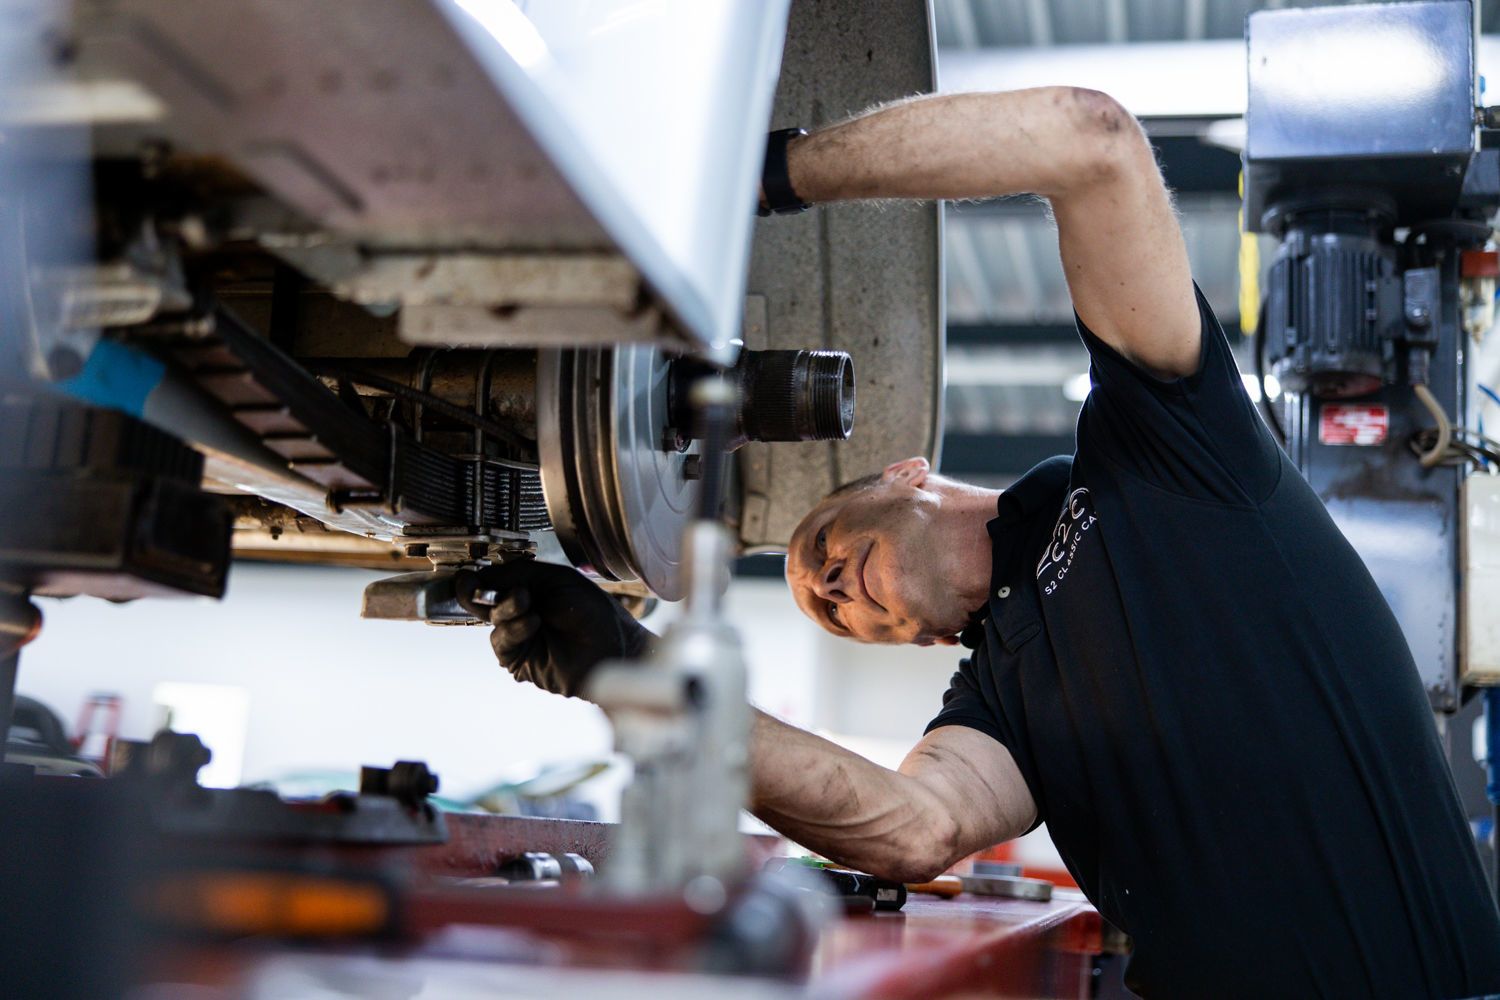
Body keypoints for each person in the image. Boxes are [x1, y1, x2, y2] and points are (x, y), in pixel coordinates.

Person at [458, 88, 1500, 998]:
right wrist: (630, 671)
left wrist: (759, 176)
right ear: (906, 639)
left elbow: (1091, 142)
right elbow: (910, 826)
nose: (826, 581)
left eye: (824, 541)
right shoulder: (1001, 703)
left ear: (905, 470)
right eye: (833, 609)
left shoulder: (1160, 450)